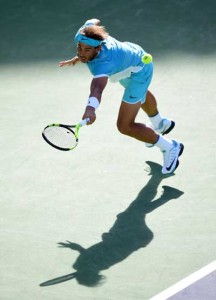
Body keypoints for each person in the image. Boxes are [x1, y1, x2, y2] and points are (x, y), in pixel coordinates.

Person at [59, 18, 184, 174]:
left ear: (98, 49)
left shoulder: (103, 65)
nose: (82, 52)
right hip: (127, 61)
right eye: (80, 48)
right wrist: (79, 57)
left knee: (125, 126)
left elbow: (97, 89)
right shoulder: (84, 33)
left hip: (139, 69)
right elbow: (94, 21)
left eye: (87, 50)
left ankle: (170, 146)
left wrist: (91, 109)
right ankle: (159, 123)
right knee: (140, 94)